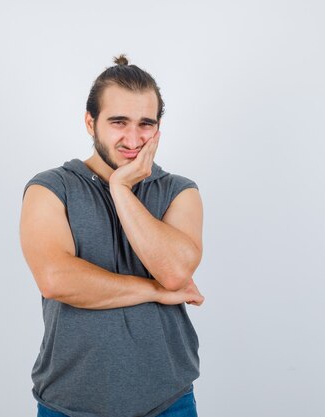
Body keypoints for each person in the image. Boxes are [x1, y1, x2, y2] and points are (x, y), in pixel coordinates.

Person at [19, 54, 205, 417]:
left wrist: (120, 188)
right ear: (91, 122)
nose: (133, 138)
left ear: (158, 128)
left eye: (145, 124)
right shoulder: (50, 188)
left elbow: (174, 273)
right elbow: (56, 279)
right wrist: (153, 291)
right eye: (119, 122)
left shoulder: (179, 191)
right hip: (69, 404)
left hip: (168, 401)